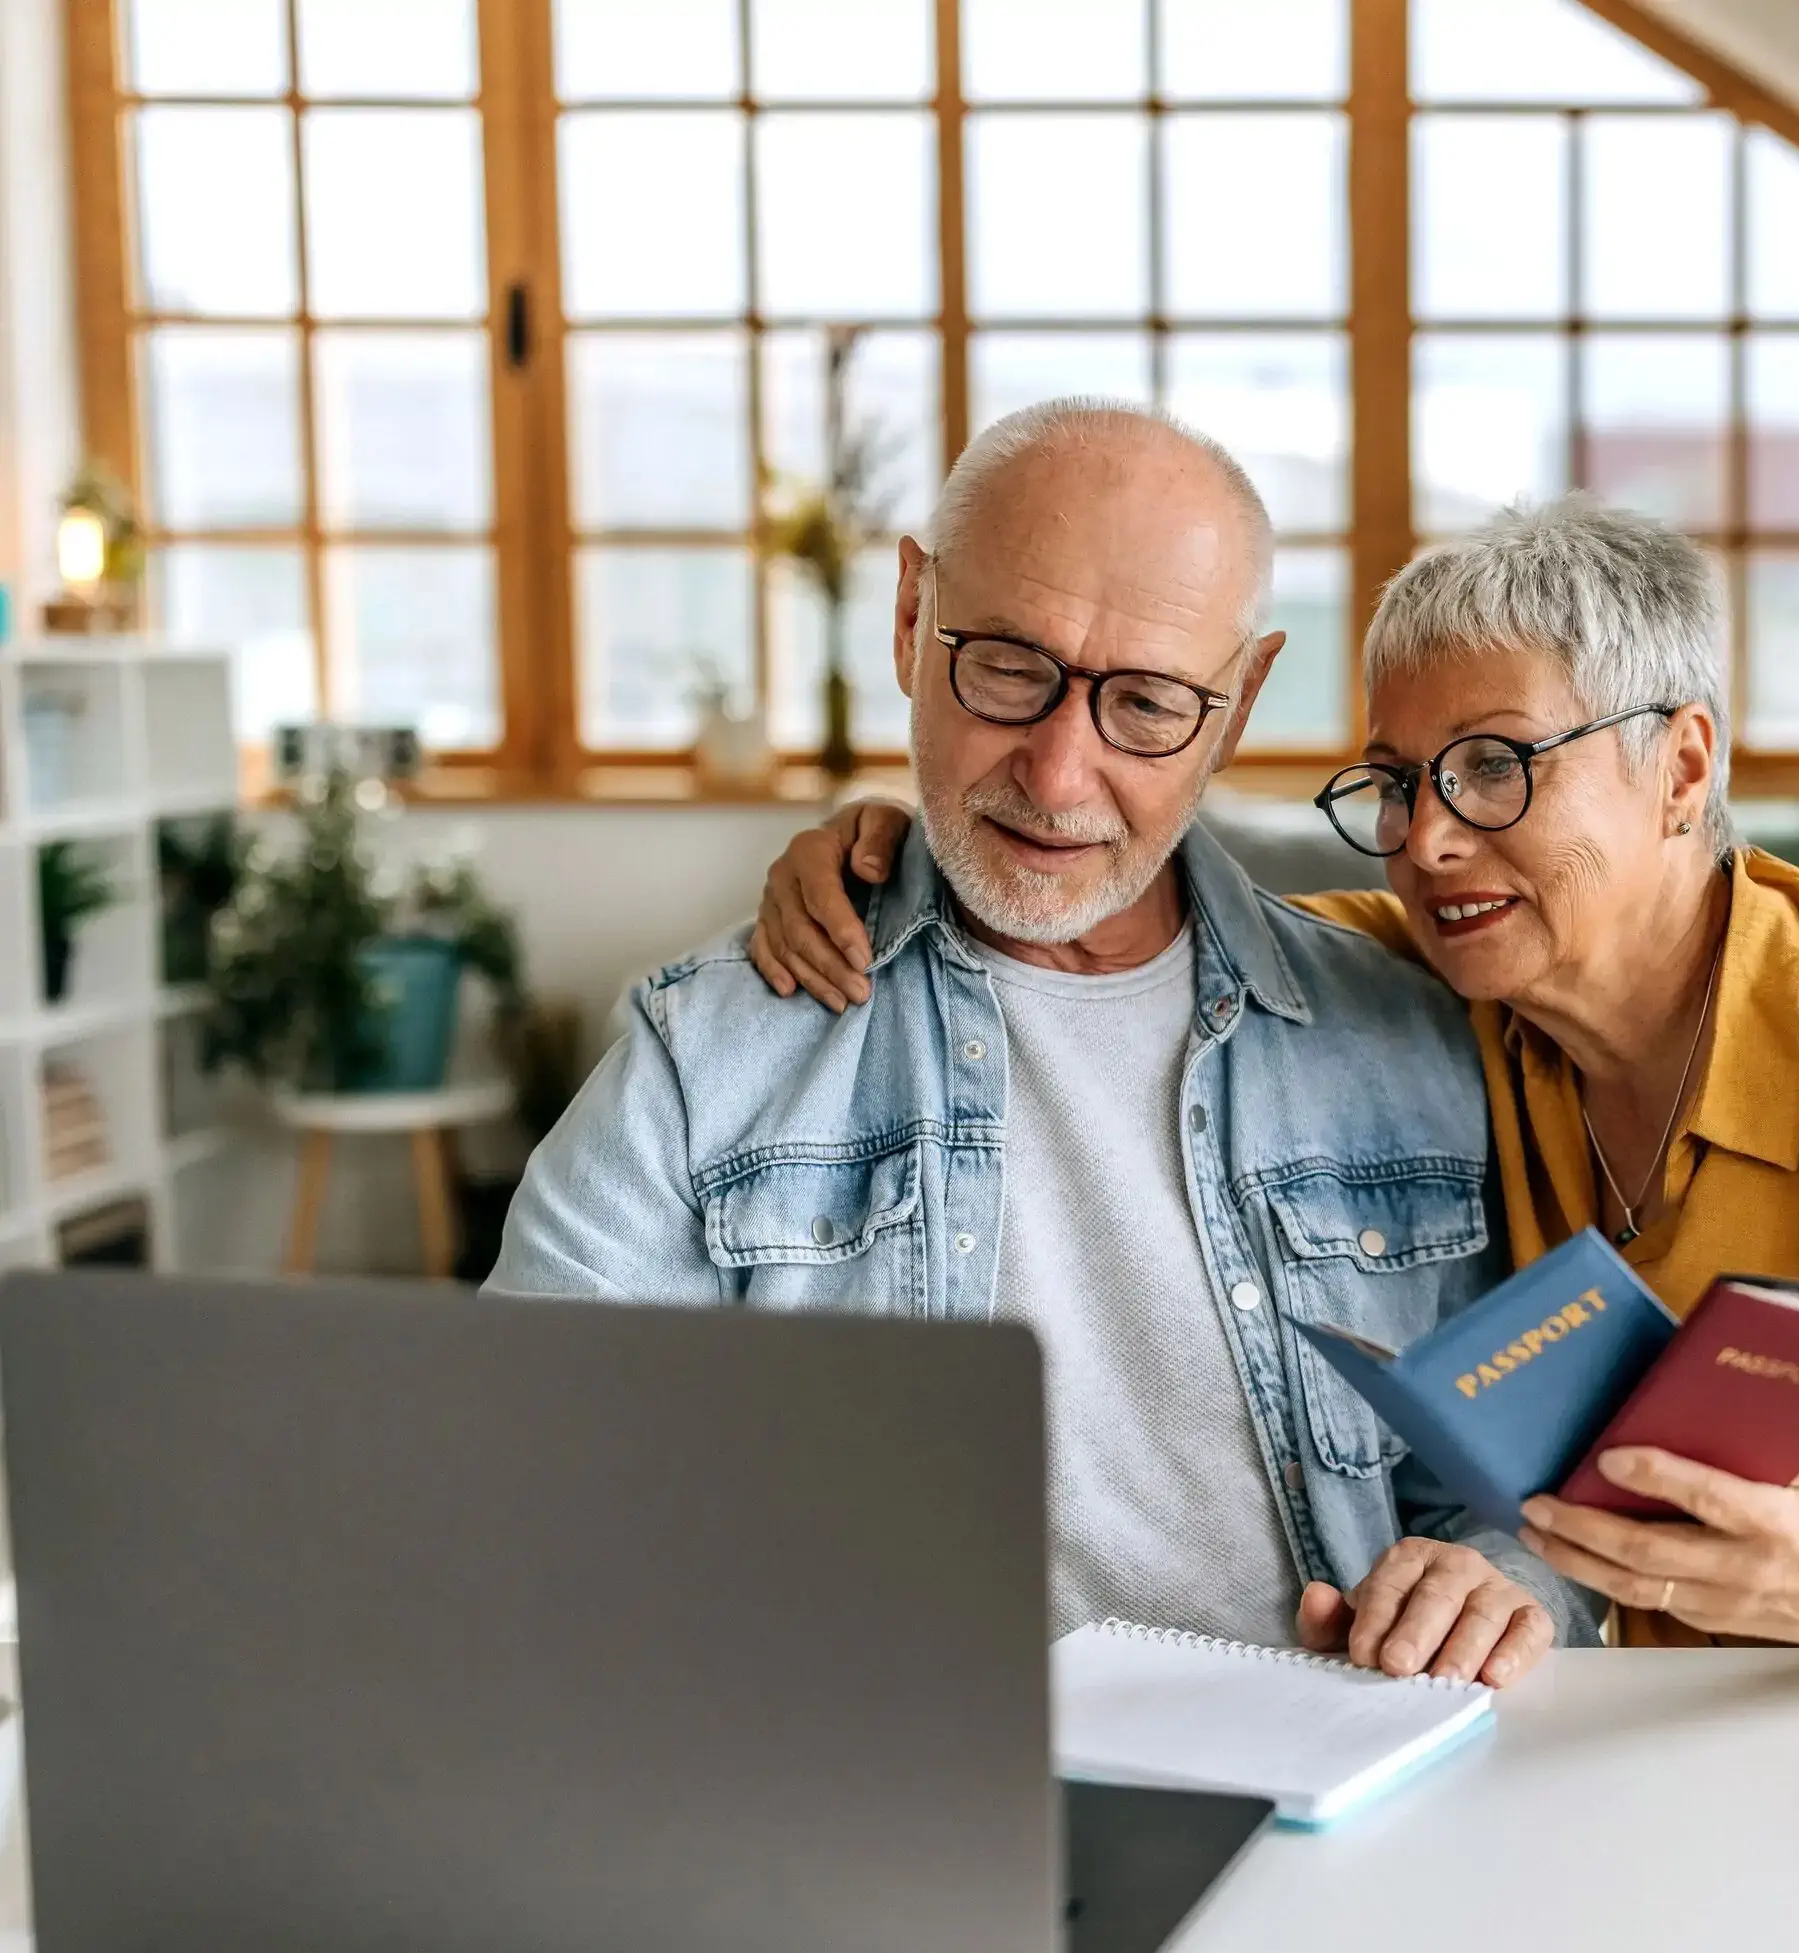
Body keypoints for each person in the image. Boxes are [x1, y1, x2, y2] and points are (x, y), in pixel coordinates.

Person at [752, 495, 1799, 1669]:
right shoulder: (1446, 975)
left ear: (1685, 767)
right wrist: (883, 839)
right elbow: (1120, 900)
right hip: (1728, 1719)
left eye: (1499, 766)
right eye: (1401, 781)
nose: (1434, 839)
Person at [489, 401, 1596, 1689]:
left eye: (1146, 705)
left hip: (1333, 1784)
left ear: (1234, 705)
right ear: (911, 619)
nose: (1061, 776)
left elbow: (1532, 1495)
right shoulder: (708, 1061)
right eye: (1008, 668)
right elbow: (527, 1496)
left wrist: (1508, 1578)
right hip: (887, 1786)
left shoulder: (1413, 1040)